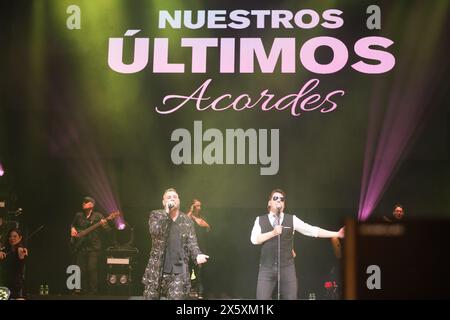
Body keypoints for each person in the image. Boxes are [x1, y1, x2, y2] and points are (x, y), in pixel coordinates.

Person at [250, 189, 344, 300]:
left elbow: (312, 230)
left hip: (287, 268)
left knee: (292, 298)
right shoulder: (260, 220)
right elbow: (254, 240)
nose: (279, 200)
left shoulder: (292, 219)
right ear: (269, 202)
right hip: (266, 268)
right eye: (275, 198)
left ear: (284, 204)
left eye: (282, 199)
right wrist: (273, 233)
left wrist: (337, 234)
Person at [142, 188, 209, 300]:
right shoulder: (156, 215)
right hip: (157, 270)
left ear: (179, 201)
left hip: (178, 272)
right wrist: (166, 212)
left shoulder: (187, 220)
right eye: (169, 197)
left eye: (175, 197)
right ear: (163, 202)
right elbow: (155, 231)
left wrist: (197, 255)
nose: (172, 199)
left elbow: (192, 243)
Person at [70, 196, 109, 294]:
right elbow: (72, 225)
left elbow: (108, 231)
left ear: (92, 205)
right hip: (81, 246)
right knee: (80, 270)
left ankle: (93, 293)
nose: (83, 203)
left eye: (86, 202)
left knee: (92, 269)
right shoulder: (78, 215)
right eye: (83, 202)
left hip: (93, 247)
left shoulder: (98, 216)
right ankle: (80, 290)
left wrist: (104, 225)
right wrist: (73, 229)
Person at [187, 199, 211, 299]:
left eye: (200, 206)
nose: (199, 208)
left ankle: (199, 292)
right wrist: (191, 212)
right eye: (197, 206)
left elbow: (207, 226)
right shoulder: (187, 217)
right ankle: (188, 291)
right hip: (188, 248)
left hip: (200, 248)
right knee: (188, 269)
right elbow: (185, 219)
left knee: (199, 270)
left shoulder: (201, 217)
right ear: (192, 206)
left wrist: (196, 218)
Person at [0, 228, 28, 299]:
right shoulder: (5, 250)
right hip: (4, 285)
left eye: (15, 236)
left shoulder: (20, 249)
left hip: (17, 286)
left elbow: (21, 254)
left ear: (20, 238)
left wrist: (21, 254)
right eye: (10, 236)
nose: (12, 238)